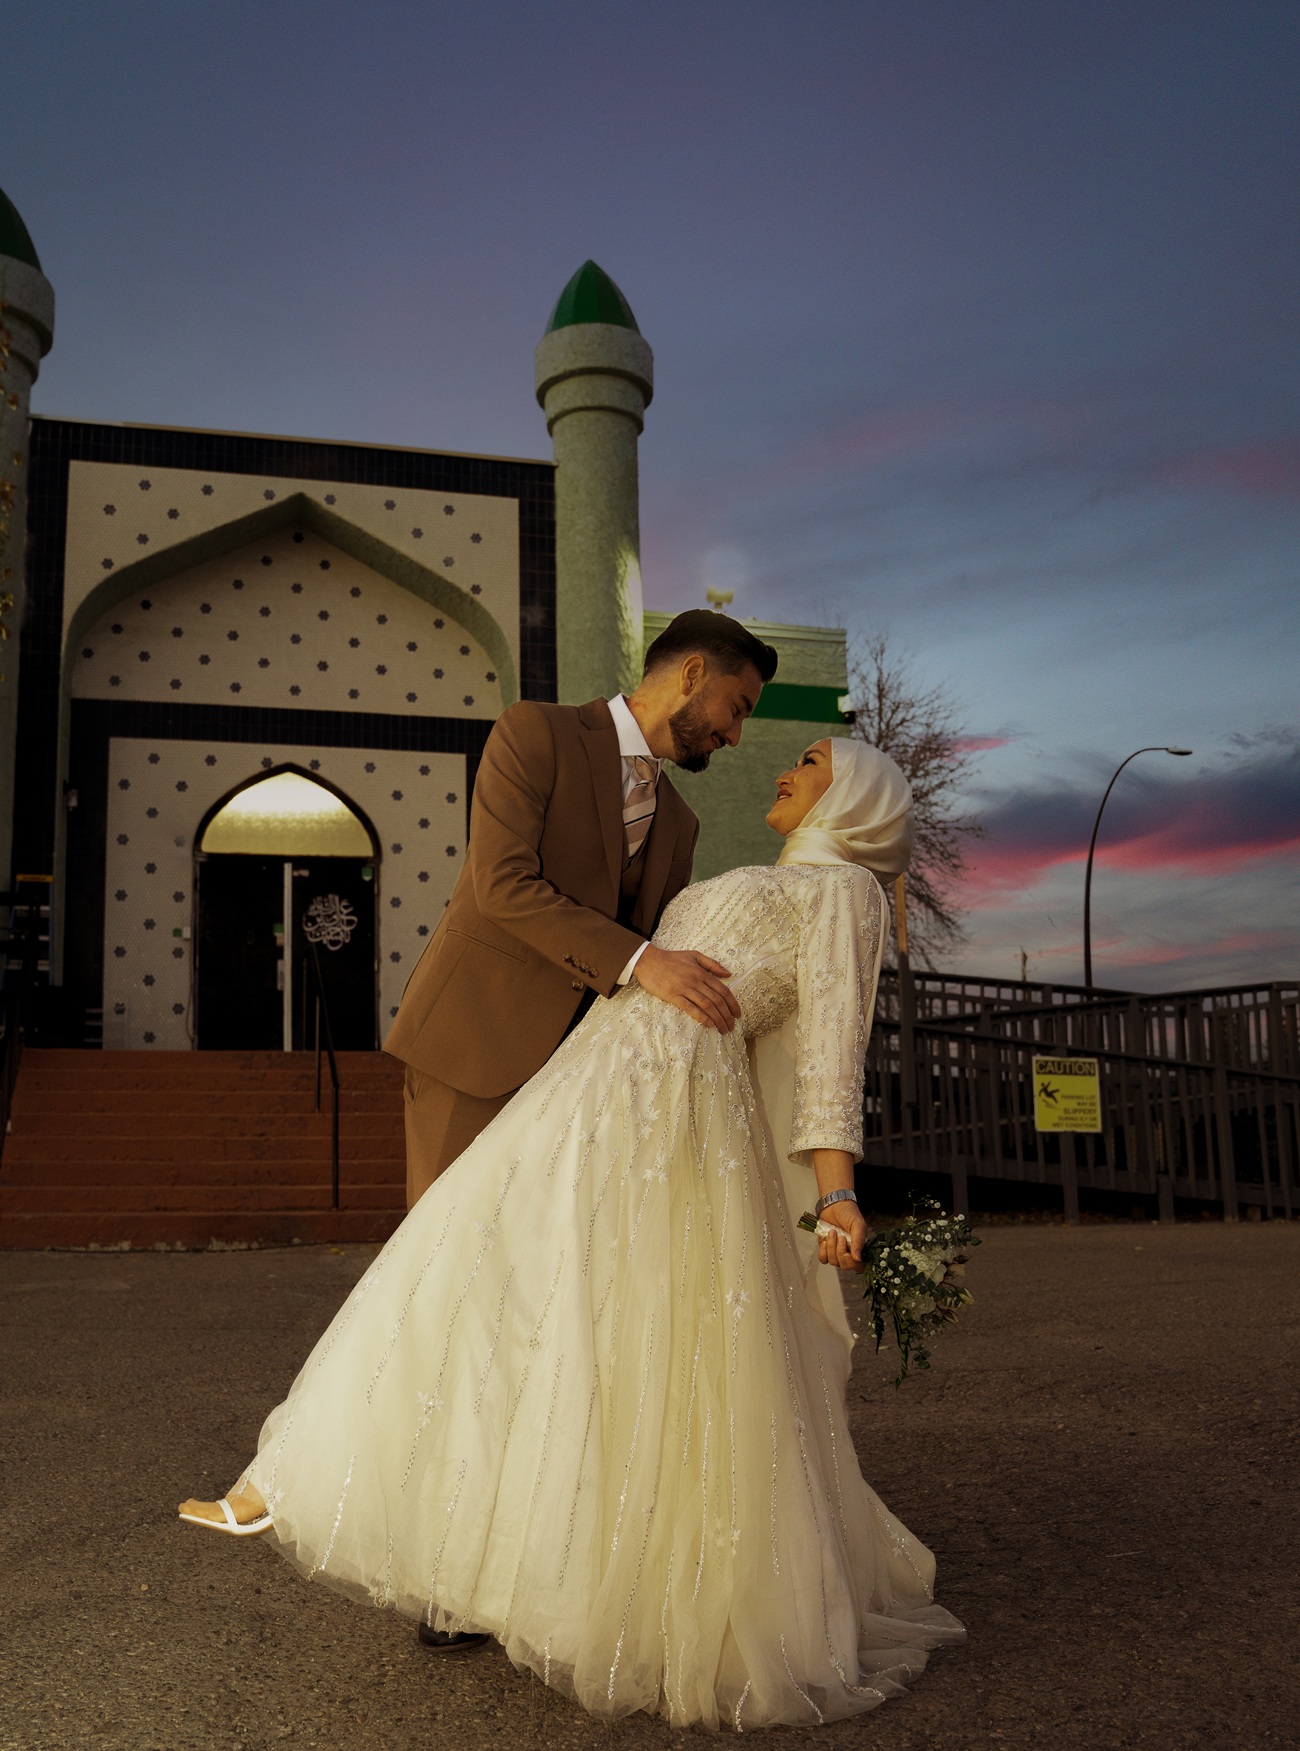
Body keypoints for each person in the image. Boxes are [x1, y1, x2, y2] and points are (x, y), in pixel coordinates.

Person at [179, 737, 965, 1730]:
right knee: (471, 1262)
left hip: (675, 1108)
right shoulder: (761, 876)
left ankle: (589, 1577)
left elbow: (831, 1053)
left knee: (617, 1329)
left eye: (809, 758)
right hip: (586, 1082)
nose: (781, 764)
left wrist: (838, 1190)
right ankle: (316, 1484)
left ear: (857, 795)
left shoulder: (844, 891)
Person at [386, 609, 778, 1211]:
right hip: (475, 1044)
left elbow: (664, 944)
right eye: (738, 708)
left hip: (580, 1076)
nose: (735, 736)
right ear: (693, 674)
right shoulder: (535, 731)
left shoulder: (681, 824)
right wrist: (642, 960)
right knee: (438, 1248)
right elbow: (502, 885)